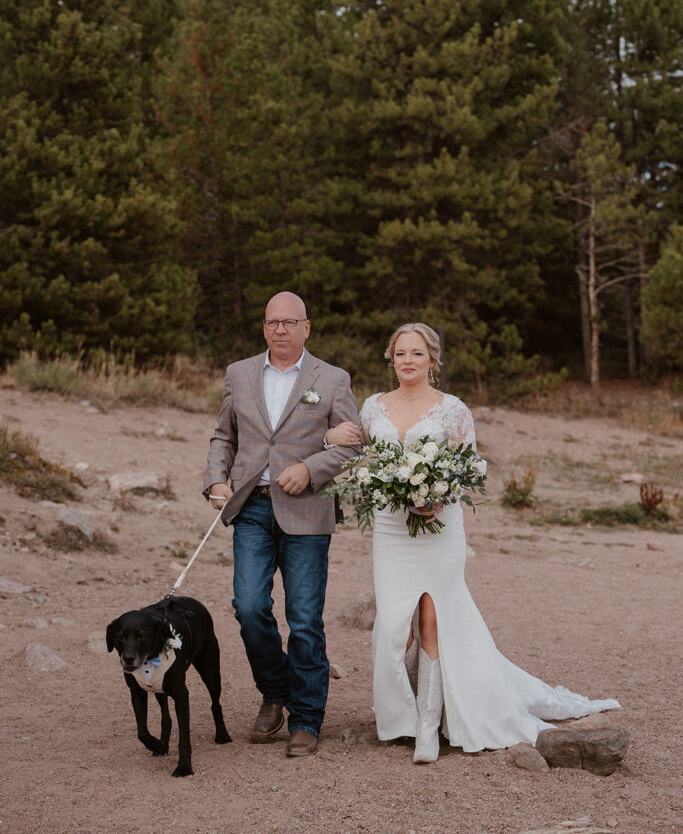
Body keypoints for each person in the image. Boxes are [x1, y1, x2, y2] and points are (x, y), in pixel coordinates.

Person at [326, 322, 619, 763]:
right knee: (390, 626)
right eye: (401, 353)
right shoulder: (372, 408)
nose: (408, 360)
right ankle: (399, 713)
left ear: (432, 360)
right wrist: (331, 436)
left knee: (432, 616)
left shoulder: (452, 409)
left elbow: (468, 470)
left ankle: (427, 725)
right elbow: (361, 457)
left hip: (439, 527)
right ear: (391, 358)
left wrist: (438, 499)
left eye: (417, 354)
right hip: (390, 530)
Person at [203, 291, 362, 758]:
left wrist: (311, 468)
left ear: (306, 328)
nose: (281, 330)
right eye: (274, 322)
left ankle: (307, 719)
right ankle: (276, 692)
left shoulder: (331, 380)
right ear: (264, 326)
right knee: (249, 607)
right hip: (251, 505)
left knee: (305, 620)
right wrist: (215, 480)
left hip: (308, 509)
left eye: (290, 322)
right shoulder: (240, 373)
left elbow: (352, 443)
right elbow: (223, 435)